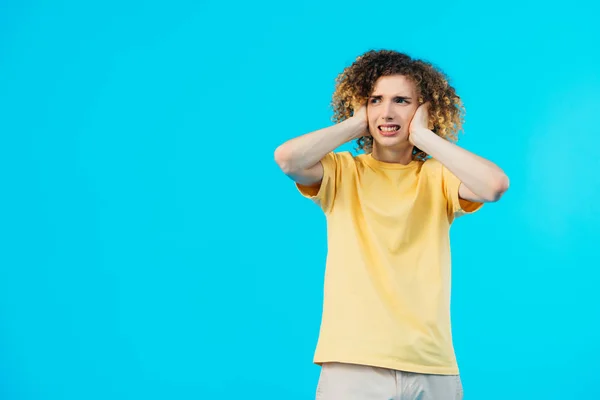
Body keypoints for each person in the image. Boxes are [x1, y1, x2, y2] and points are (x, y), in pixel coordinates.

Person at [273, 49, 509, 400]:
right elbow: (288, 159)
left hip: (431, 362)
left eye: (401, 100)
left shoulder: (438, 177)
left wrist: (425, 137)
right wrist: (354, 124)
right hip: (353, 363)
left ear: (424, 109)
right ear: (361, 105)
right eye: (375, 100)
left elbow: (494, 185)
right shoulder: (343, 172)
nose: (387, 112)